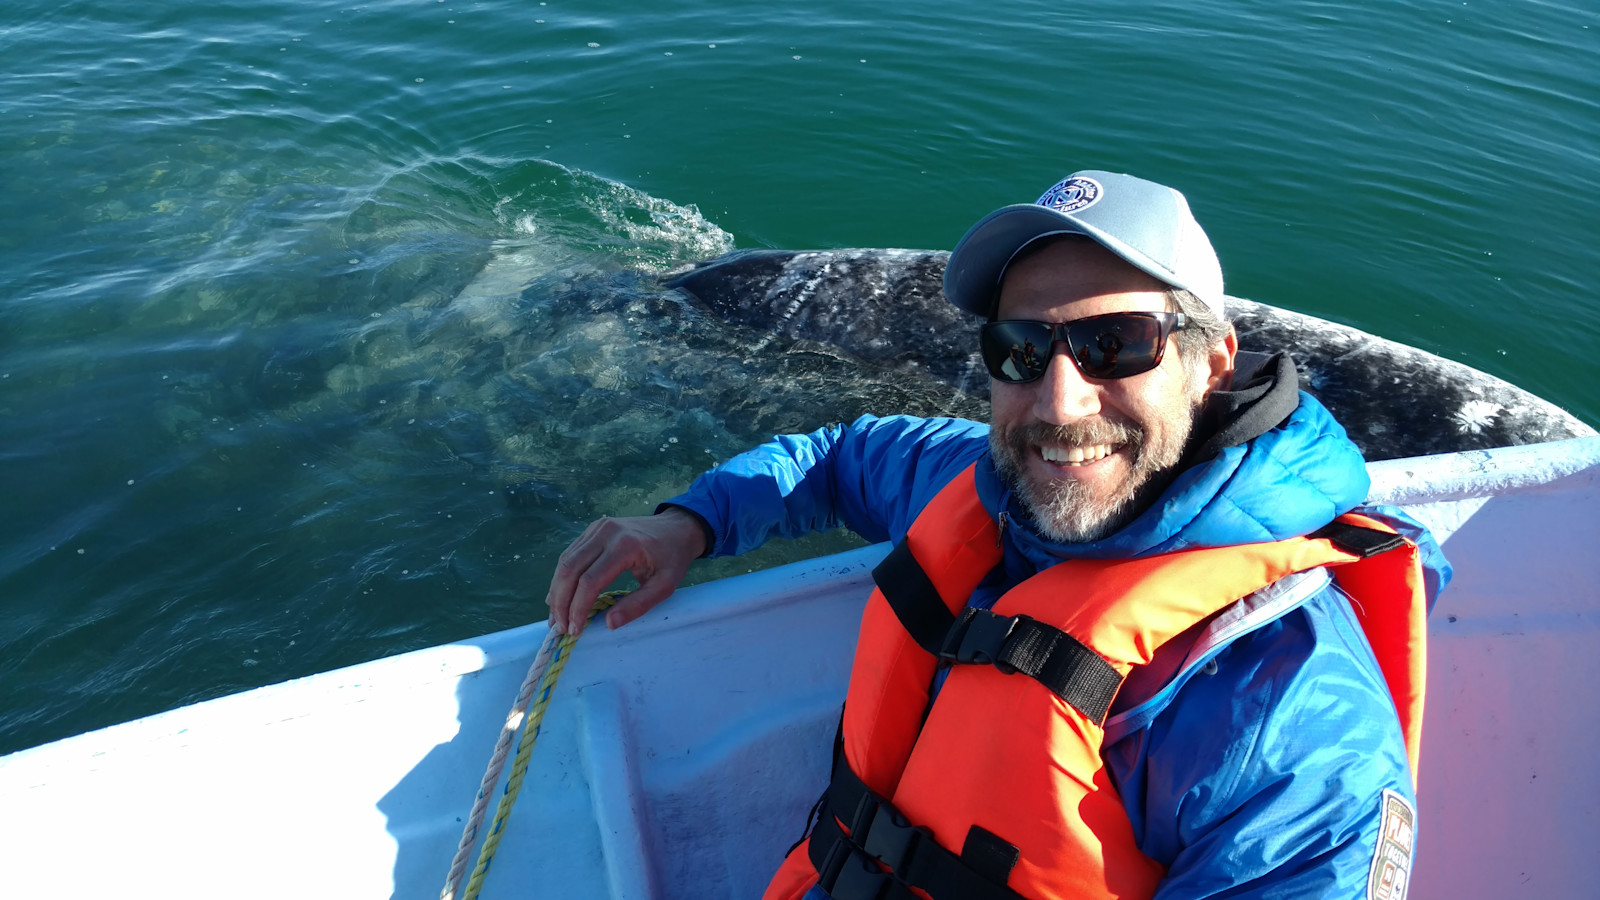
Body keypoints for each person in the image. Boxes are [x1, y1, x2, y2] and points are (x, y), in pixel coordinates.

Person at [545, 170, 1449, 900]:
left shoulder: (1288, 713)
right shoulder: (990, 489)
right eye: (1021, 350)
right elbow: (841, 455)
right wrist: (688, 524)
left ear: (1210, 363)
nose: (1060, 403)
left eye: (1115, 345)